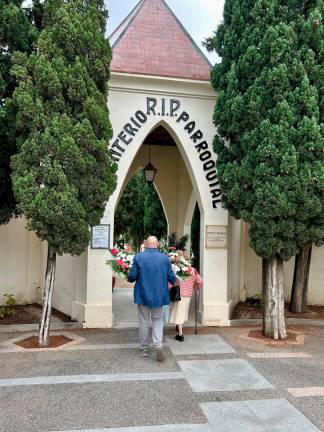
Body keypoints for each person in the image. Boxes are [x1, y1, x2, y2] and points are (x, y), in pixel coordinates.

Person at [128, 236, 176, 361]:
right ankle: (158, 344)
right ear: (157, 244)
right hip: (159, 295)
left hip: (143, 294)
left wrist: (128, 276)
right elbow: (171, 278)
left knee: (144, 321)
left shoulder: (139, 257)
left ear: (146, 244)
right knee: (158, 320)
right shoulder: (165, 258)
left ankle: (144, 349)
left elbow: (132, 276)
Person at [169, 268, 202, 342]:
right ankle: (179, 327)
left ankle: (180, 334)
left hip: (179, 294)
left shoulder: (177, 269)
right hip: (188, 294)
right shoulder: (193, 270)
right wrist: (195, 287)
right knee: (182, 312)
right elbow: (200, 280)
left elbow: (171, 282)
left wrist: (169, 287)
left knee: (179, 313)